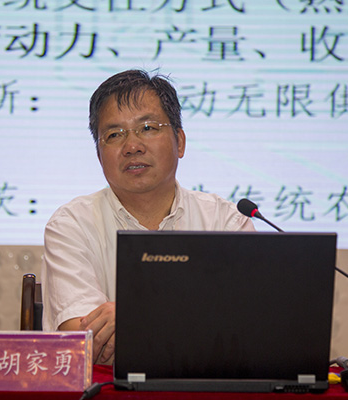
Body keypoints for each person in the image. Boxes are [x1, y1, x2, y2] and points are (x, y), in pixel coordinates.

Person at [42, 69, 255, 365]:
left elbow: (247, 327)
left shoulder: (225, 221)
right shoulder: (71, 225)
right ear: (99, 155)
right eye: (114, 135)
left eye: (148, 128)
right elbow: (85, 340)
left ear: (180, 141)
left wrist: (131, 317)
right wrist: (195, 321)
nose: (132, 147)